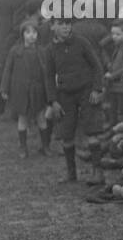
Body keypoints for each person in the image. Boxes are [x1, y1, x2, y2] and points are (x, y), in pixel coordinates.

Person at [43, 16, 105, 184]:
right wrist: (53, 101)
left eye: (68, 23)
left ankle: (97, 172)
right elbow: (49, 77)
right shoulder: (50, 50)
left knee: (92, 131)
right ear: (52, 26)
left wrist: (97, 89)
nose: (65, 27)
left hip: (87, 92)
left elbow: (97, 66)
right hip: (65, 95)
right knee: (66, 133)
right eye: (61, 24)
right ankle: (71, 173)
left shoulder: (81, 42)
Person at [0, 19, 51, 158]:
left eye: (34, 32)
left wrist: (49, 91)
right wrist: (4, 88)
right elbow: (7, 70)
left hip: (38, 90)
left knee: (41, 117)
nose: (31, 35)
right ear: (22, 34)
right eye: (28, 32)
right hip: (21, 90)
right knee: (22, 118)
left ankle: (45, 146)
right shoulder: (15, 51)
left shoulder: (42, 51)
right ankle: (23, 147)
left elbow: (47, 73)